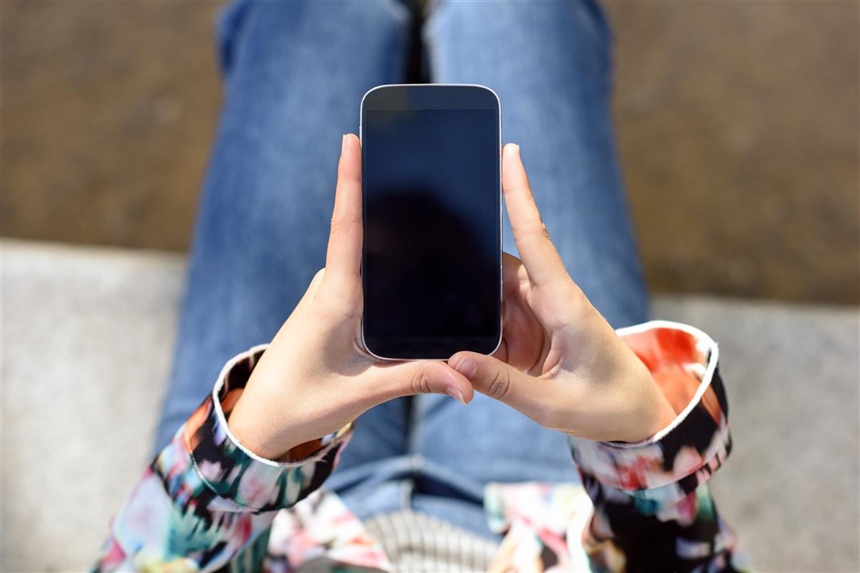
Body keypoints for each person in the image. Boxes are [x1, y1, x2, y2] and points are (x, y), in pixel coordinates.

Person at [95, 1, 746, 571]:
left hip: (282, 522)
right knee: (521, 14)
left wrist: (252, 445)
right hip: (548, 506)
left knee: (316, 15)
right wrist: (638, 435)